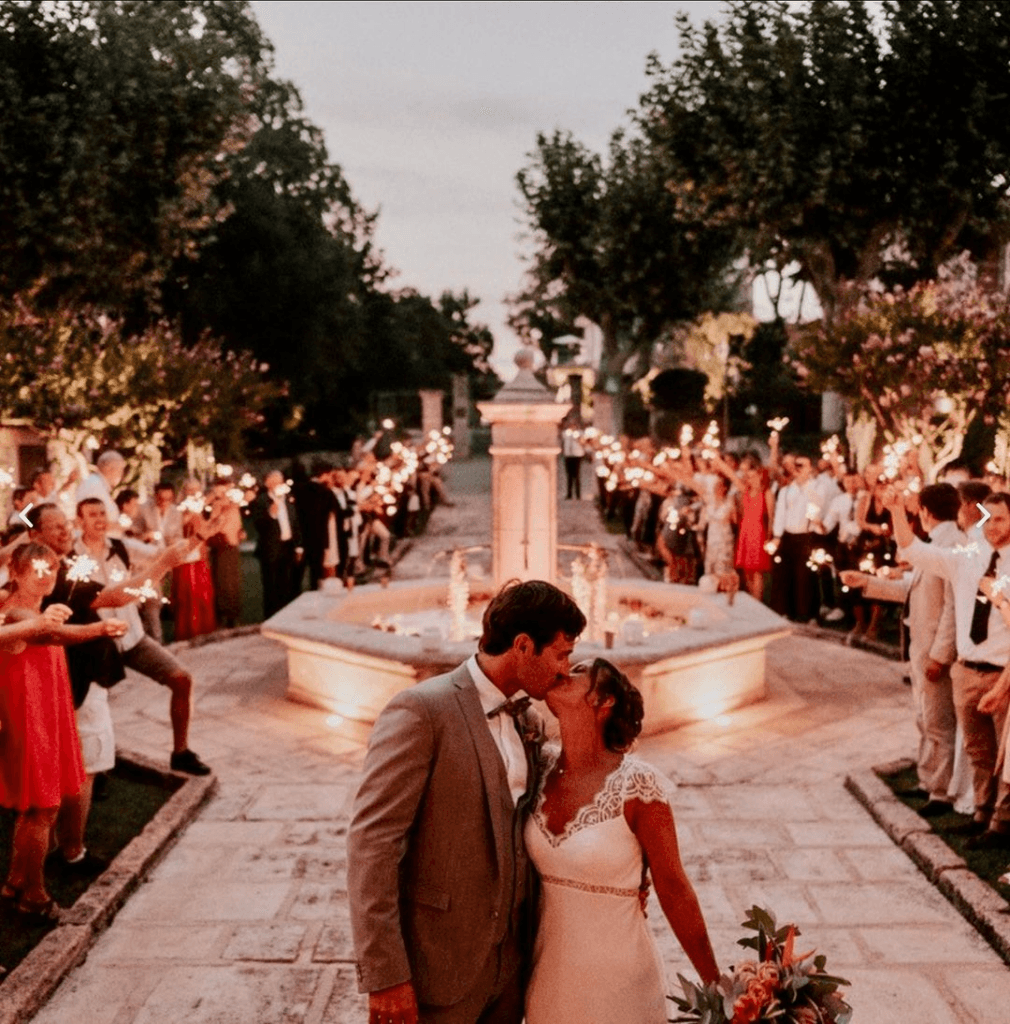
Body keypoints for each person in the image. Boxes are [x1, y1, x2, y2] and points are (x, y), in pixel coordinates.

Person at [348, 580, 586, 1024]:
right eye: (560, 654)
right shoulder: (421, 710)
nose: (564, 670)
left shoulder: (529, 719)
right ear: (522, 645)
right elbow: (373, 843)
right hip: (438, 968)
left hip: (513, 971)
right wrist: (385, 975)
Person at [525, 657, 718, 1023]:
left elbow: (675, 889)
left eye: (580, 671)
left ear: (604, 701)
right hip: (546, 981)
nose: (564, 670)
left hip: (621, 982)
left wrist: (717, 988)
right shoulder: (536, 766)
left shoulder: (638, 785)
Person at [0, 543, 127, 920]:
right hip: (29, 722)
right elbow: (52, 635)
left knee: (35, 810)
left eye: (51, 569)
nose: (45, 577)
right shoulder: (17, 612)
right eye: (36, 570)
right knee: (43, 809)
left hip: (43, 717)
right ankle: (34, 896)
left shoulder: (32, 609)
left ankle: (15, 882)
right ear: (15, 573)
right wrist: (99, 628)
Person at [884, 486, 1010, 849]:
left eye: (1001, 519)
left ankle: (1002, 824)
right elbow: (915, 551)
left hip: (1002, 672)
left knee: (1007, 756)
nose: (992, 526)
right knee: (978, 750)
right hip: (966, 669)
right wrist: (896, 511)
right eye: (988, 518)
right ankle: (981, 813)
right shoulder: (968, 557)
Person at [842, 483, 964, 814]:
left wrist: (940, 655)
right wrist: (868, 582)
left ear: (925, 511)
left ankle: (941, 792)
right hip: (921, 644)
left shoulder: (951, 545)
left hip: (934, 648)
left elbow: (952, 608)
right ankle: (927, 780)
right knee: (925, 717)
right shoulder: (936, 543)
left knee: (939, 721)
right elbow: (915, 588)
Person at [73, 498, 213, 775]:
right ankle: (93, 769)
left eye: (102, 513)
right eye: (92, 515)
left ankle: (181, 753)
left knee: (182, 679)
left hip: (133, 637)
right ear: (80, 521)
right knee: (91, 707)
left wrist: (199, 537)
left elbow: (164, 555)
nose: (99, 519)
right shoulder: (72, 557)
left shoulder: (121, 547)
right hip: (97, 643)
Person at [769, 454, 823, 623]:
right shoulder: (786, 491)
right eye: (796, 465)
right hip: (788, 537)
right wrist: (777, 536)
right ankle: (788, 611)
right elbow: (780, 514)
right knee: (786, 575)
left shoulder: (816, 488)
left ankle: (810, 614)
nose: (797, 469)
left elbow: (816, 510)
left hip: (807, 537)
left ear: (810, 469)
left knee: (806, 576)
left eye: (802, 465)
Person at [252, 470, 303, 617]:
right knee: (271, 587)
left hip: (288, 547)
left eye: (280, 482)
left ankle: (286, 617)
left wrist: (299, 546)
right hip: (271, 549)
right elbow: (258, 525)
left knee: (286, 585)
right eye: (275, 482)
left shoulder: (288, 498)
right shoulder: (261, 501)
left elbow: (295, 523)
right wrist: (271, 514)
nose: (278, 485)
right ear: (268, 484)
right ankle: (271, 617)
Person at [74, 450, 126, 531]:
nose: (121, 476)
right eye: (120, 470)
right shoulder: (93, 485)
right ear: (109, 469)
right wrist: (119, 527)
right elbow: (89, 522)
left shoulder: (99, 484)